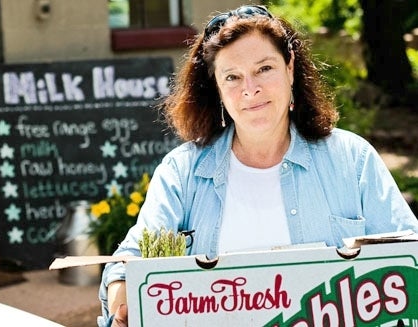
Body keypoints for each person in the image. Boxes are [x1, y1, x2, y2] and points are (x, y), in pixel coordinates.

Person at [97, 5, 418, 326]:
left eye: (264, 68)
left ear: (290, 67)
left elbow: (408, 258)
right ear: (217, 89)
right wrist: (122, 292)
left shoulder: (353, 159)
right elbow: (131, 258)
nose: (251, 89)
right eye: (232, 77)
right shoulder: (181, 172)